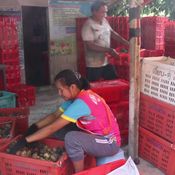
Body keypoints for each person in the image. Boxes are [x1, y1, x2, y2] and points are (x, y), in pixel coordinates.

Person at [9, 69, 121, 173]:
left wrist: (26, 140)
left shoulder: (81, 103)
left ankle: (80, 173)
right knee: (62, 129)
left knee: (71, 138)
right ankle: (74, 155)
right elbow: (54, 116)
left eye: (61, 90)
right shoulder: (77, 97)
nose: (59, 93)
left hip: (109, 143)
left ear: (72, 87)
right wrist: (35, 127)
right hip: (95, 135)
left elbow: (52, 127)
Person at [82, 0, 129, 82]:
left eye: (105, 12)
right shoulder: (88, 25)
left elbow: (112, 33)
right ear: (94, 12)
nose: (105, 15)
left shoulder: (104, 21)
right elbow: (90, 45)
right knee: (94, 86)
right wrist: (109, 50)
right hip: (94, 64)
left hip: (107, 61)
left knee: (114, 82)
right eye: (102, 12)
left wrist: (126, 42)